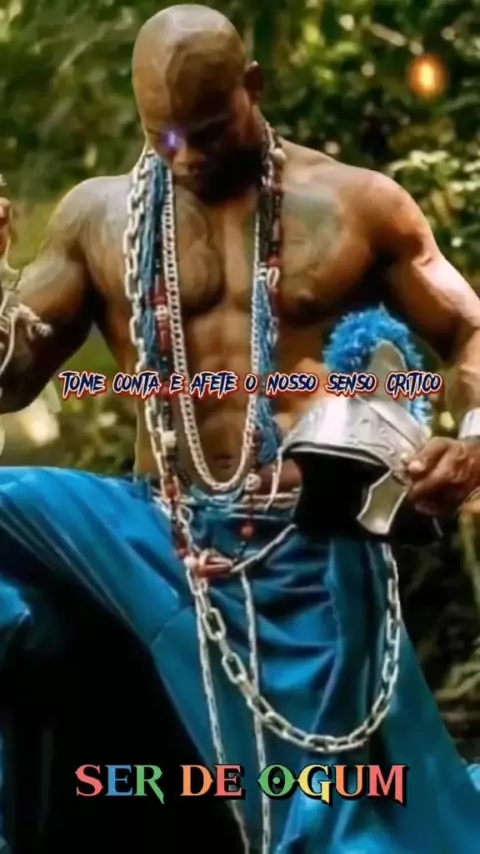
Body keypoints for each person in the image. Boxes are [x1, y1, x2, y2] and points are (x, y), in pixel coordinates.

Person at [0, 5, 479, 853]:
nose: (184, 157)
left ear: (251, 87)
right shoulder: (98, 219)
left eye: (208, 132)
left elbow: (469, 330)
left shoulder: (356, 205)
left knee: (343, 826)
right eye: (163, 136)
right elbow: (12, 381)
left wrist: (471, 439)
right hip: (155, 528)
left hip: (305, 537)